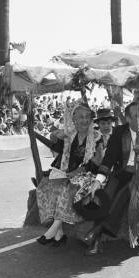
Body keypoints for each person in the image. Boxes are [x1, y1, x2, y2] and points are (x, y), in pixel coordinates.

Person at [76, 101, 139, 256]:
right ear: (128, 118)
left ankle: (95, 235)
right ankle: (97, 237)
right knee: (105, 196)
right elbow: (109, 159)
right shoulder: (118, 132)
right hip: (120, 173)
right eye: (137, 116)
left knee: (123, 195)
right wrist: (98, 181)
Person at [35, 101, 102, 247]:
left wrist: (80, 170)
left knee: (67, 189)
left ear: (91, 119)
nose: (84, 120)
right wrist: (53, 135)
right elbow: (56, 148)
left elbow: (98, 161)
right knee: (45, 187)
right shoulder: (69, 135)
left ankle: (53, 231)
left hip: (88, 175)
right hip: (67, 173)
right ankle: (59, 233)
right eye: (80, 117)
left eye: (87, 117)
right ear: (74, 120)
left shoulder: (97, 136)